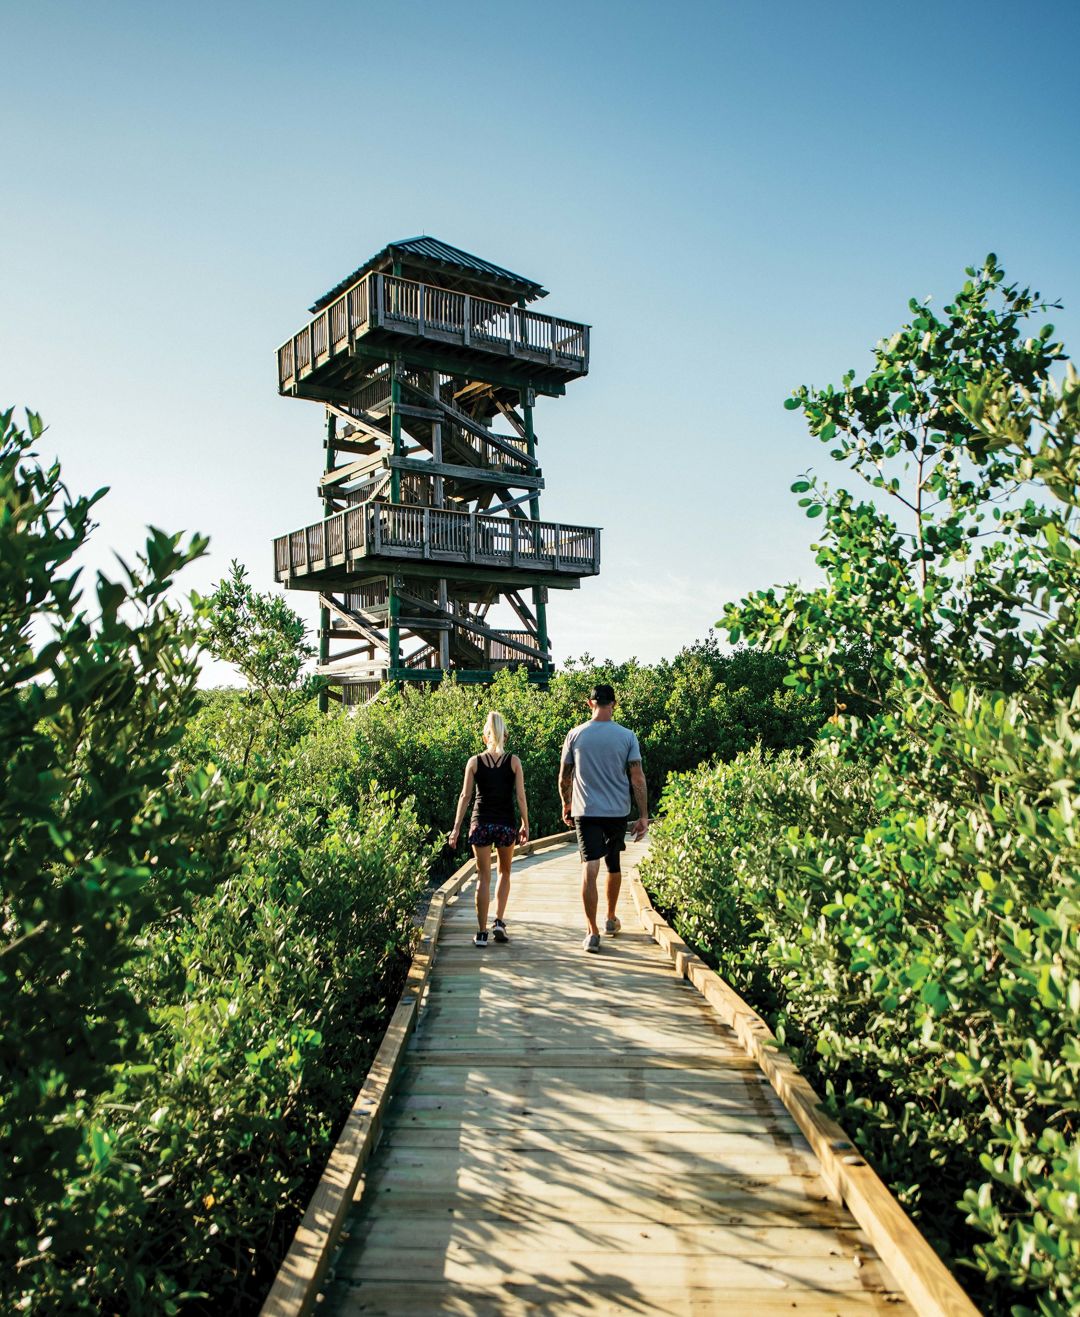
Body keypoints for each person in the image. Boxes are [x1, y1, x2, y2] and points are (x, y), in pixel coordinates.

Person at [559, 683, 648, 953]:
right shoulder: (627, 736)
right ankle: (610, 918)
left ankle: (592, 931)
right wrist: (643, 814)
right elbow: (637, 777)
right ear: (614, 704)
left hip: (585, 811)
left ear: (590, 703)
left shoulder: (575, 735)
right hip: (617, 811)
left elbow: (564, 777)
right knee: (613, 863)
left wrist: (566, 804)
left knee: (589, 865)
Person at [448, 711, 529, 947]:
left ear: (485, 737)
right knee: (504, 872)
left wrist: (455, 829)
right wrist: (526, 823)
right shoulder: (514, 761)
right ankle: (499, 922)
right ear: (505, 735)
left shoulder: (474, 762)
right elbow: (521, 796)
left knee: (483, 877)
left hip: (480, 823)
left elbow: (465, 796)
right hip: (505, 824)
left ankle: (482, 933)